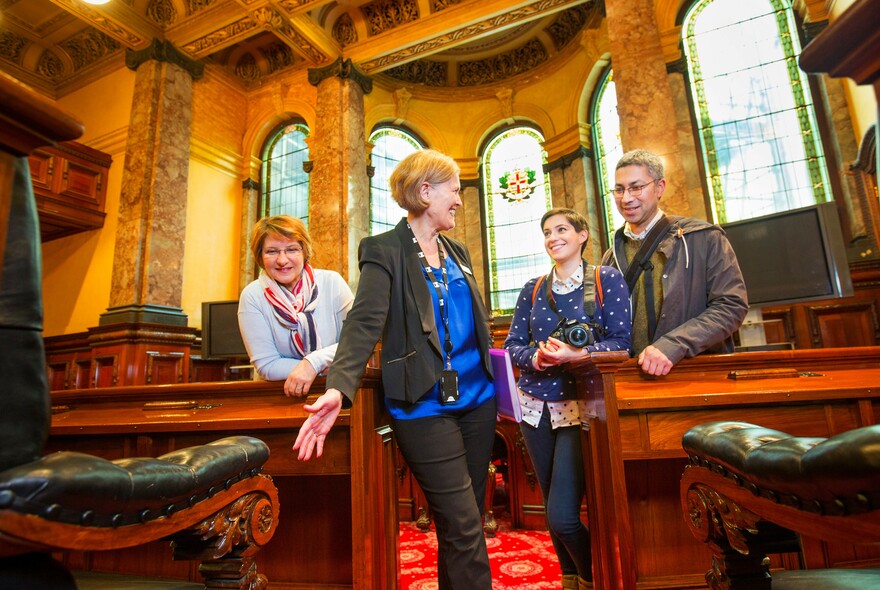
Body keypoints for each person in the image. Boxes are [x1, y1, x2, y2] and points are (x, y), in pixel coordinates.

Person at [292, 149, 496, 590]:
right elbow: (364, 322)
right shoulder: (384, 249)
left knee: (466, 522)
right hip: (424, 405)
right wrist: (339, 388)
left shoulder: (457, 250)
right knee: (462, 523)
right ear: (425, 192)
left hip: (479, 399)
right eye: (454, 191)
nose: (460, 200)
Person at [503, 208, 631, 590]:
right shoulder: (533, 287)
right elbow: (512, 347)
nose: (553, 237)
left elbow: (622, 343)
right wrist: (538, 358)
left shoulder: (605, 279)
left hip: (582, 406)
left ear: (582, 236)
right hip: (535, 407)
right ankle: (571, 579)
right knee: (550, 508)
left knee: (563, 517)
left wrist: (579, 356)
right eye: (546, 232)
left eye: (562, 229)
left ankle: (597, 577)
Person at [601, 148, 749, 375]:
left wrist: (673, 345)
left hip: (695, 373)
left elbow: (731, 306)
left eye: (636, 187)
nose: (626, 198)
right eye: (619, 190)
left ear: (660, 187)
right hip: (630, 377)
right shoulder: (610, 257)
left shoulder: (703, 237)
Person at [238, 215, 354, 397]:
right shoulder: (252, 295)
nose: (282, 260)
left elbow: (354, 343)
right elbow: (267, 365)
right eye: (272, 251)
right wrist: (325, 366)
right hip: (278, 397)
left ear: (304, 251)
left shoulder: (332, 283)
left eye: (291, 250)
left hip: (337, 390)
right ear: (260, 255)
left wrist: (313, 363)